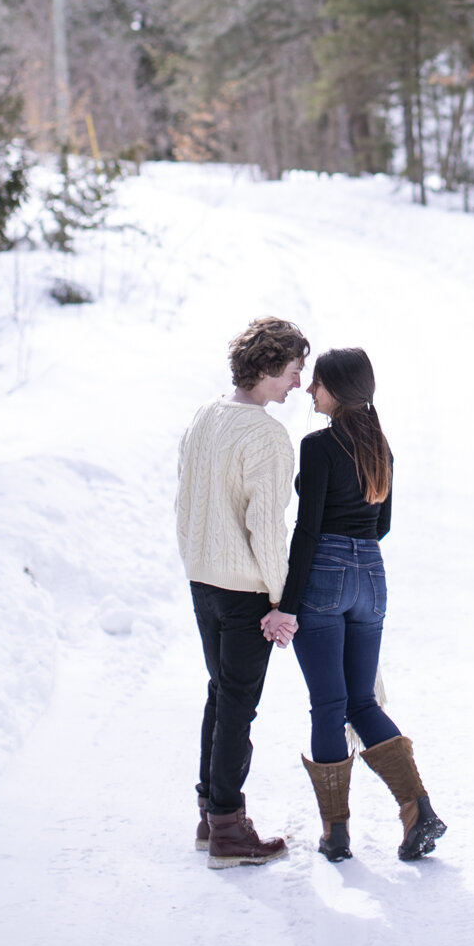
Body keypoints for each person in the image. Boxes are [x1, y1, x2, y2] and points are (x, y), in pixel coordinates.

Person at [261, 346, 446, 864]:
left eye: (317, 384)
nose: (311, 392)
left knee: (329, 705)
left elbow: (308, 530)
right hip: (372, 575)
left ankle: (336, 833)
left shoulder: (318, 447)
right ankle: (418, 809)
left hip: (326, 573)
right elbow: (381, 525)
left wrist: (288, 605)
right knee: (360, 702)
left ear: (337, 391)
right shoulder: (380, 448)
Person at [175, 315, 306, 868]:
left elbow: (186, 499)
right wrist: (282, 602)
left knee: (220, 693)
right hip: (244, 590)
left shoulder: (206, 415)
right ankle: (229, 829)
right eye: (294, 371)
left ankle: (212, 817)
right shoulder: (267, 435)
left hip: (202, 579)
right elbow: (266, 527)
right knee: (237, 707)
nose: (298, 384)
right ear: (270, 366)